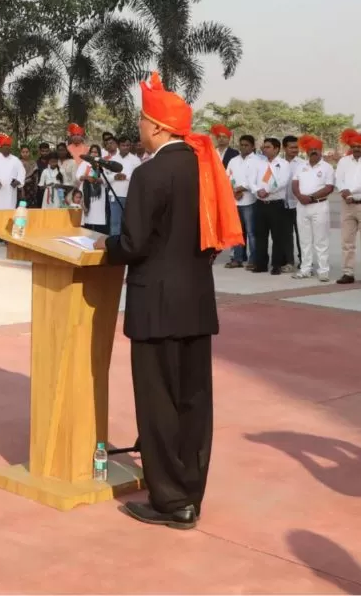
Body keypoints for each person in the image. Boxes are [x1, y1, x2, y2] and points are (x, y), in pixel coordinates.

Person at [98, 71, 239, 530]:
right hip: (196, 302)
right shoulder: (205, 168)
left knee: (158, 404)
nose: (138, 127)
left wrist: (104, 246)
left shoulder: (151, 172)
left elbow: (134, 243)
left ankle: (169, 500)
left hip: (156, 303)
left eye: (142, 120)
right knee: (194, 402)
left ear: (158, 127)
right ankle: (190, 493)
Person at [334, 129, 361, 286]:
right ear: (350, 146)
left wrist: (351, 191)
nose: (357, 148)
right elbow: (338, 178)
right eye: (354, 146)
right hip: (347, 206)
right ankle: (348, 273)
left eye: (360, 146)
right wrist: (344, 191)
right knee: (347, 241)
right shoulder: (344, 161)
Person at [291, 135, 334, 282]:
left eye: (316, 149)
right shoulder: (300, 166)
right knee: (304, 240)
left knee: (321, 240)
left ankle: (323, 270)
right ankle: (305, 269)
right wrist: (300, 197)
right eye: (311, 149)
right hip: (302, 207)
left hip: (319, 206)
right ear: (306, 151)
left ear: (321, 151)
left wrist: (311, 198)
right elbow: (294, 184)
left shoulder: (327, 167)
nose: (313, 151)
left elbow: (329, 188)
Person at [252, 137, 293, 274]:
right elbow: (251, 180)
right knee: (260, 235)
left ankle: (276, 265)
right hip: (260, 204)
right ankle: (261, 264)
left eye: (268, 147)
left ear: (276, 149)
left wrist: (267, 190)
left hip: (276, 205)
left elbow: (283, 181)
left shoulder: (284, 164)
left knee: (277, 236)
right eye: (264, 147)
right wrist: (257, 190)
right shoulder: (258, 164)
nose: (265, 149)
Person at [225, 135, 260, 268]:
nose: (243, 147)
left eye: (246, 145)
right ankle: (237, 259)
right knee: (236, 232)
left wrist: (240, 189)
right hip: (235, 201)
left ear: (252, 146)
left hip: (250, 200)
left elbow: (256, 180)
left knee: (251, 232)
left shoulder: (258, 161)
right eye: (242, 145)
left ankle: (253, 259)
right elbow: (227, 177)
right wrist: (234, 191)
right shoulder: (233, 160)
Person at [107, 135, 141, 238]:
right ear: (118, 146)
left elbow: (138, 178)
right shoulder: (112, 159)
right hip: (115, 194)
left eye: (128, 145)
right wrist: (115, 177)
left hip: (130, 196)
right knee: (115, 223)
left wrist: (126, 177)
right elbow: (106, 177)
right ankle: (113, 247)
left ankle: (126, 248)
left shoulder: (136, 160)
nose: (126, 147)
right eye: (123, 145)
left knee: (129, 224)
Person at [75, 144, 107, 233]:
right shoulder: (84, 163)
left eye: (96, 152)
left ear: (99, 153)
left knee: (97, 217)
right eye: (92, 152)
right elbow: (78, 176)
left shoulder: (103, 164)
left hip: (98, 194)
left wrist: (98, 179)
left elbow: (106, 178)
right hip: (86, 191)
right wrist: (86, 177)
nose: (94, 154)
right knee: (86, 217)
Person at [282, 134, 302, 266]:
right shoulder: (278, 163)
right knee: (285, 236)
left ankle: (305, 261)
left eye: (296, 147)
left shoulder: (302, 164)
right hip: (282, 205)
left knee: (302, 235)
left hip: (299, 205)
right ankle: (288, 261)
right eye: (291, 147)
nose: (295, 150)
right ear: (284, 148)